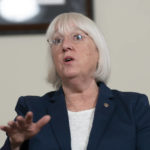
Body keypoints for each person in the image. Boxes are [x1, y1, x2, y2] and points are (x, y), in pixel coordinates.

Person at [0, 12, 150, 150]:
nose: (65, 46)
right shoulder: (32, 109)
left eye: (77, 37)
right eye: (57, 40)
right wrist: (15, 146)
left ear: (98, 51)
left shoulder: (133, 107)